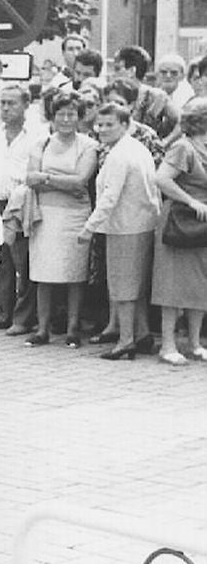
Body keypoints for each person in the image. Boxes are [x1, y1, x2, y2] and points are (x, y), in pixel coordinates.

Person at [77, 103, 161, 360]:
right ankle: (143, 334)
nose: (102, 129)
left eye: (109, 124)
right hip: (143, 224)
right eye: (100, 124)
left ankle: (126, 341)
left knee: (123, 287)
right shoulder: (137, 149)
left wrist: (89, 227)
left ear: (125, 125)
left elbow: (110, 196)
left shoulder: (119, 155)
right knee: (136, 284)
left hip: (125, 227)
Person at [23, 91, 99, 348]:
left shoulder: (88, 145)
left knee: (74, 274)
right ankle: (42, 330)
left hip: (75, 217)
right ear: (52, 116)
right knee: (43, 273)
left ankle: (72, 330)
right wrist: (56, 180)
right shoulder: (40, 143)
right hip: (45, 216)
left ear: (79, 117)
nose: (66, 119)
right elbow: (30, 178)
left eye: (71, 114)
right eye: (61, 114)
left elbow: (81, 181)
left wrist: (46, 177)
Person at [150, 97, 207, 365]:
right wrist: (191, 200)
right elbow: (161, 178)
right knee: (172, 285)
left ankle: (195, 343)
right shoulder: (183, 148)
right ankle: (168, 345)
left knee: (200, 284)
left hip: (203, 225)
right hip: (179, 222)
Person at [0, 82, 44, 333]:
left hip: (23, 203)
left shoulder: (36, 136)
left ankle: (23, 318)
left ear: (26, 105)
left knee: (23, 262)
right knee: (1, 262)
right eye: (3, 103)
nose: (6, 108)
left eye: (12, 103)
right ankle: (2, 313)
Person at [112, 45, 176, 138]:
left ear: (131, 71)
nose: (113, 74)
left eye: (117, 69)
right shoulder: (112, 93)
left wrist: (164, 143)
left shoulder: (157, 96)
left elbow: (182, 122)